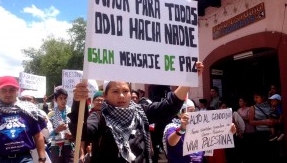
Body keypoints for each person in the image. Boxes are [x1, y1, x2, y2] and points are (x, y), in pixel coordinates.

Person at [68, 62, 204, 163]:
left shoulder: (141, 112)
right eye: (115, 91)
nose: (121, 96)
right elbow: (82, 132)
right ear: (105, 96)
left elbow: (169, 106)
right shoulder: (99, 117)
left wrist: (189, 79)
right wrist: (78, 102)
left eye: (125, 91)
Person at [0, 76, 47, 163]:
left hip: (25, 159)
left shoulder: (29, 110)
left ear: (17, 90)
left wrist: (42, 159)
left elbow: (38, 136)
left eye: (12, 89)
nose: (8, 94)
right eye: (3, 90)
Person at [248, 89, 280, 163]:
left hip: (271, 133)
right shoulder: (253, 108)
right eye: (254, 97)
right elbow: (251, 122)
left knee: (272, 154)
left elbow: (275, 116)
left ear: (263, 97)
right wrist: (264, 122)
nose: (255, 99)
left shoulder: (270, 105)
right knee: (262, 155)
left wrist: (274, 121)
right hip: (260, 134)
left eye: (257, 97)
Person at [20, 90, 53, 159]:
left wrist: (44, 124)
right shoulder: (16, 114)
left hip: (40, 151)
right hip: (23, 154)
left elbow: (48, 134)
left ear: (34, 100)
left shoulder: (41, 113)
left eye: (29, 99)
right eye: (23, 99)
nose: (26, 101)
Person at [48, 87, 74, 163]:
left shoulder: (71, 112)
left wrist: (72, 134)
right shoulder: (50, 114)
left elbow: (75, 128)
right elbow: (47, 134)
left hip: (69, 144)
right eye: (61, 98)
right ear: (56, 100)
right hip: (55, 145)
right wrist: (56, 130)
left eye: (65, 98)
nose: (63, 101)